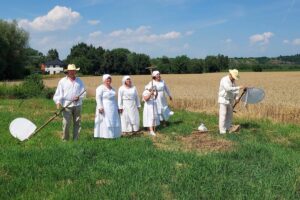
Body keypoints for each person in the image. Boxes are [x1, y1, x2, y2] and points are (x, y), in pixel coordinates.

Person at [53, 64, 86, 141]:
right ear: (67, 72)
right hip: (66, 105)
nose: (72, 72)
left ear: (75, 71)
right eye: (70, 71)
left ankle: (76, 139)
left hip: (78, 105)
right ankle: (65, 140)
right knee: (66, 124)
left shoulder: (79, 81)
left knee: (77, 123)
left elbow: (84, 92)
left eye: (73, 71)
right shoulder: (62, 81)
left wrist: (79, 97)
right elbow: (58, 93)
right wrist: (58, 103)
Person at [218, 69, 245, 134]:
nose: (234, 79)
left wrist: (237, 98)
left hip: (230, 100)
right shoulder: (224, 79)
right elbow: (228, 89)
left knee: (230, 115)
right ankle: (222, 131)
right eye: (234, 77)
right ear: (230, 74)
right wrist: (239, 87)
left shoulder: (233, 82)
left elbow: (235, 92)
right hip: (223, 99)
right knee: (223, 114)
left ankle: (228, 128)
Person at [94, 74, 121, 139]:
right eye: (107, 79)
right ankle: (105, 135)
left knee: (113, 119)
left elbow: (115, 99)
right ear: (104, 80)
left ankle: (114, 135)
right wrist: (100, 107)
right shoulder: (100, 88)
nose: (109, 80)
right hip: (105, 106)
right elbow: (98, 97)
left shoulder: (113, 88)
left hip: (113, 106)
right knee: (105, 120)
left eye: (110, 79)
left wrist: (117, 107)